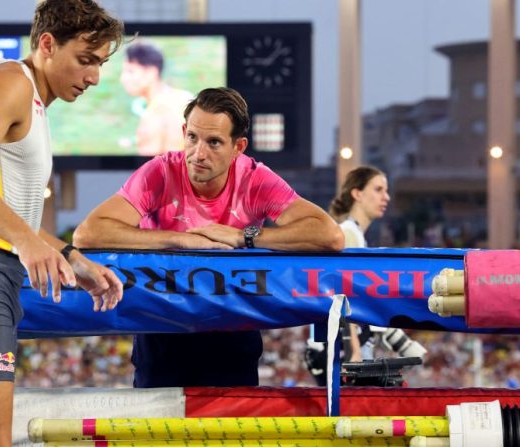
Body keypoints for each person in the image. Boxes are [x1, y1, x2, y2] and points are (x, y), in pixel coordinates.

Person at [0, 2, 125, 446]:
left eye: (101, 64)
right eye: (86, 60)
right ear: (47, 44)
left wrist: (71, 256)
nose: (94, 77)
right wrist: (24, 243)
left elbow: (14, 214)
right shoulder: (9, 81)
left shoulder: (29, 98)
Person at [74, 87, 344, 387]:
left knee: (230, 434)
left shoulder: (255, 179)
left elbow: (330, 235)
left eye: (214, 142)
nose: (198, 154)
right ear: (183, 132)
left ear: (238, 147)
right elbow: (88, 233)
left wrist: (243, 237)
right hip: (164, 329)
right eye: (192, 138)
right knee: (158, 435)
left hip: (232, 328)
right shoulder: (160, 172)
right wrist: (178, 240)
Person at [305, 166, 426, 386]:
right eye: (378, 189)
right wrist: (354, 352)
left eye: (386, 191)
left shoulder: (354, 234)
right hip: (339, 347)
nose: (386, 197)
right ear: (357, 194)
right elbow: (344, 297)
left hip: (336, 345)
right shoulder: (349, 233)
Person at [120, 40, 194, 156]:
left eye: (130, 71)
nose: (123, 78)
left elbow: (150, 167)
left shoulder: (156, 114)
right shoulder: (185, 97)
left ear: (151, 72)